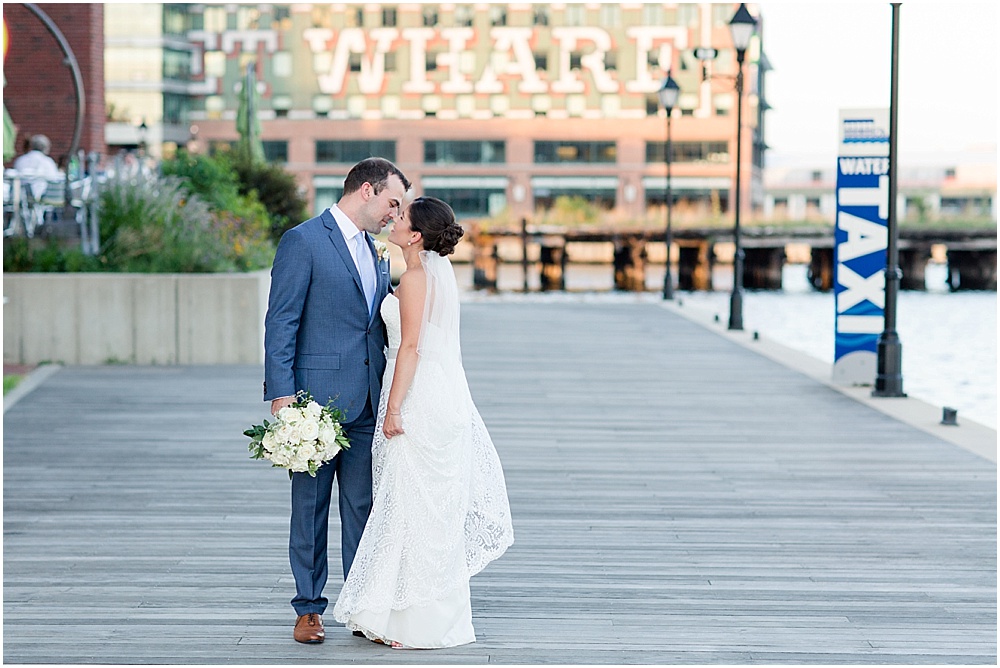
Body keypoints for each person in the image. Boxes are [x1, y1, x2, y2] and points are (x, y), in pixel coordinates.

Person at [332, 197, 514, 649]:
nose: (394, 219)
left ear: (415, 235)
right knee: (425, 507)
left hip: (418, 395)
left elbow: (410, 348)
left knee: (412, 505)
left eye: (402, 216)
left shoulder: (416, 277)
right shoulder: (436, 272)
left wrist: (393, 409)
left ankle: (413, 621)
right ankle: (420, 615)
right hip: (439, 389)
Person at [263, 157, 411, 644]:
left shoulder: (376, 252)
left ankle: (363, 607)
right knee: (309, 508)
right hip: (312, 405)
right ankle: (308, 609)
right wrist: (282, 397)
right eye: (392, 202)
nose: (395, 214)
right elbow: (281, 323)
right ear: (366, 190)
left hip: (369, 400)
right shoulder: (302, 241)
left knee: (363, 508)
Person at [13, 134, 60, 199]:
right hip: (45, 201)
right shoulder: (48, 162)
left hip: (22, 198)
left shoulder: (20, 160)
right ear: (46, 148)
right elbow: (55, 179)